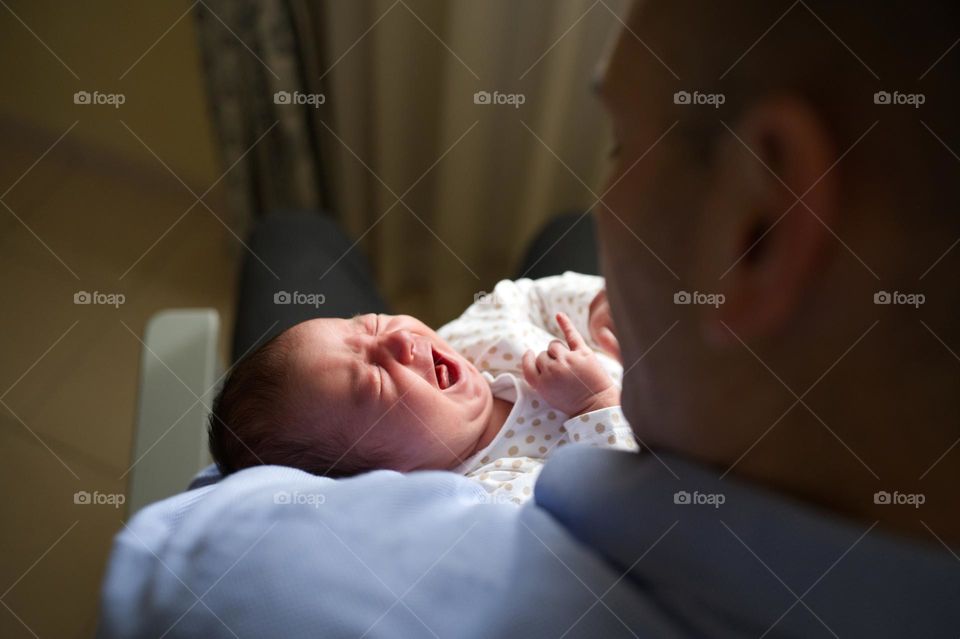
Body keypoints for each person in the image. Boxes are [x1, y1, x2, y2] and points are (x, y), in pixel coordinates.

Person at [97, 2, 960, 637]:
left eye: (620, 143)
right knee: (551, 243)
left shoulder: (243, 571)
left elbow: (210, 518)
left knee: (294, 235)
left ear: (758, 227)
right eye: (370, 369)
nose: (398, 332)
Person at [208, 274, 636, 504]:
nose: (398, 339)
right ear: (386, 477)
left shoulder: (475, 337)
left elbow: (529, 297)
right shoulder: (490, 492)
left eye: (369, 324)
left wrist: (594, 304)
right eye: (374, 380)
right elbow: (613, 505)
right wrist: (594, 404)